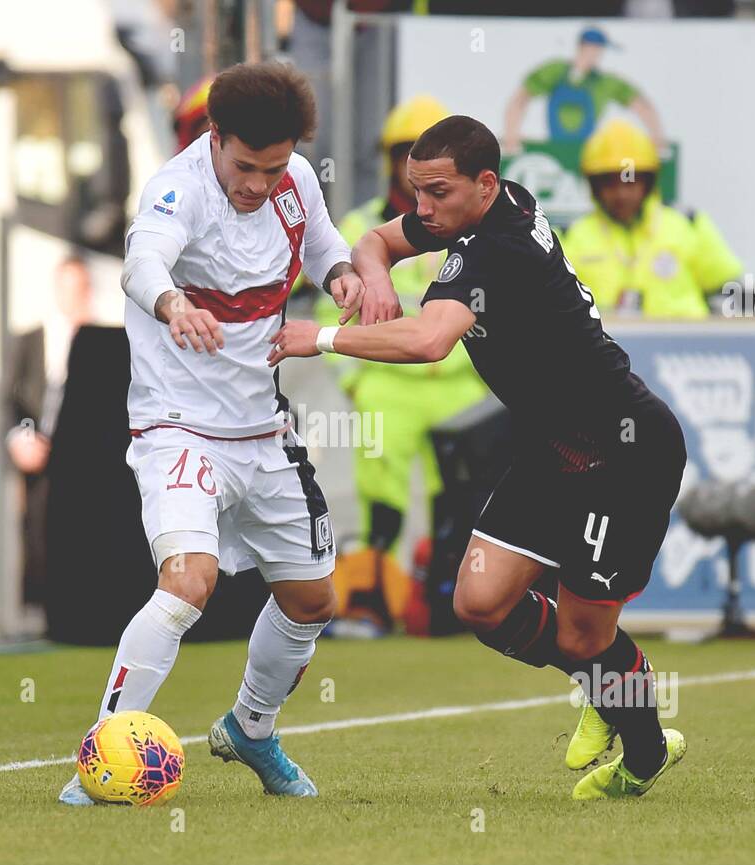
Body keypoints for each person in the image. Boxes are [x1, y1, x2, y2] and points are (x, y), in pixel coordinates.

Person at [269, 115, 688, 800]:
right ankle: (601, 684)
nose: (423, 210)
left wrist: (319, 338)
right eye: (415, 191)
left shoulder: (497, 247)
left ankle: (643, 749)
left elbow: (432, 340)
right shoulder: (486, 205)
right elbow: (375, 238)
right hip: (554, 449)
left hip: (622, 453)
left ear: (483, 185)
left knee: (586, 640)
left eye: (436, 193)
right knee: (480, 603)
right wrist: (373, 277)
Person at [59, 62, 363, 805]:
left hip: (263, 429)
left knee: (314, 600)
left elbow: (321, 245)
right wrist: (171, 304)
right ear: (214, 138)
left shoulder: (294, 184)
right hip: (179, 427)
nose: (259, 183)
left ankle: (251, 729)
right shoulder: (178, 187)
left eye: (275, 166)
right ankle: (100, 759)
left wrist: (344, 276)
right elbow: (141, 262)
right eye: (245, 165)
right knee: (187, 583)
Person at [314, 95, 486, 560]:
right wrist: (354, 382)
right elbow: (334, 309)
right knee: (381, 492)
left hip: (461, 382)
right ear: (393, 159)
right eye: (405, 150)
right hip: (387, 381)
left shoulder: (475, 227)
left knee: (462, 496)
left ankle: (443, 596)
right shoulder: (360, 226)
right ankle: (376, 593)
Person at [563, 120, 742, 319]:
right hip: (600, 347)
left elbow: (729, 291)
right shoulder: (569, 237)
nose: (622, 193)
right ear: (595, 187)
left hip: (682, 348)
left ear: (648, 182)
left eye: (630, 181)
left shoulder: (688, 224)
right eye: (610, 183)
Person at [6, 256, 95, 606]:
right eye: (67, 288)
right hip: (41, 460)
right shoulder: (30, 341)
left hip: (85, 459)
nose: (73, 297)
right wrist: (24, 437)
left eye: (80, 289)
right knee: (39, 536)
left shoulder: (99, 341)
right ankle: (40, 610)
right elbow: (15, 401)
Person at [502, 26, 664, 154]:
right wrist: (511, 134)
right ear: (584, 47)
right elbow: (520, 99)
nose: (597, 55)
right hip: (553, 151)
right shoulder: (555, 71)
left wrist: (657, 139)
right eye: (595, 49)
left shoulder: (605, 82)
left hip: (588, 154)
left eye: (600, 50)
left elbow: (642, 106)